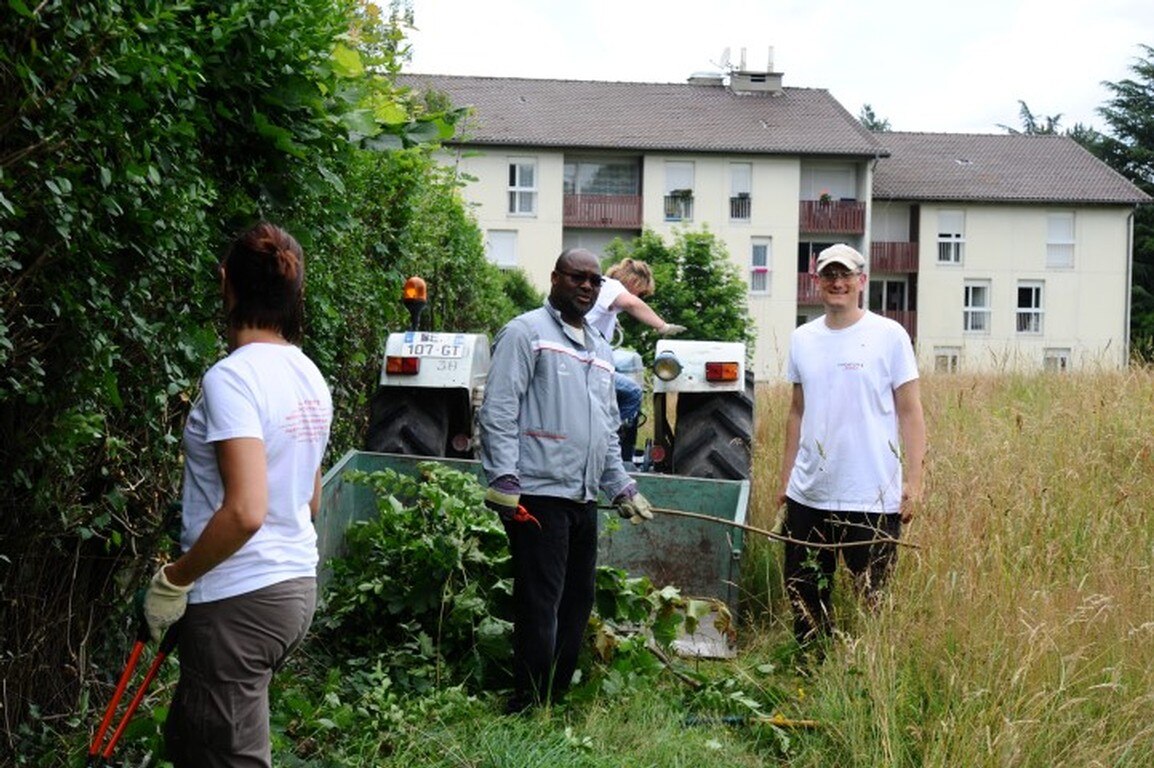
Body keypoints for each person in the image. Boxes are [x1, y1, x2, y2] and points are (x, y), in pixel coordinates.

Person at [141, 222, 333, 767]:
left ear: (226, 282)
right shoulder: (308, 374)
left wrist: (173, 579)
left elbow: (247, 510)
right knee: (192, 737)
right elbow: (310, 501)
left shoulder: (233, 378)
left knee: (228, 755)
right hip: (293, 587)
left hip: (238, 600)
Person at [478, 247, 654, 712]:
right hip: (537, 494)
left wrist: (621, 485)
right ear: (555, 278)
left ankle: (553, 697)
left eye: (595, 280)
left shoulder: (600, 349)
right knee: (540, 602)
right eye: (577, 277)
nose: (587, 286)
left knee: (577, 602)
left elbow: (607, 426)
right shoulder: (525, 333)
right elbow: (498, 409)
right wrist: (503, 476)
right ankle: (527, 702)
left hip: (582, 497)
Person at [777, 243, 925, 651]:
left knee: (873, 600)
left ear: (862, 281)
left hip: (872, 495)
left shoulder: (889, 336)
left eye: (846, 275)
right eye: (829, 275)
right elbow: (796, 411)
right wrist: (786, 479)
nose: (837, 283)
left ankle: (872, 674)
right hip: (810, 495)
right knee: (805, 594)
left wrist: (914, 481)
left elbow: (911, 412)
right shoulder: (803, 338)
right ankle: (809, 668)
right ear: (816, 281)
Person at [584, 258, 686, 460]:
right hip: (584, 364)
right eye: (642, 292)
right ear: (633, 283)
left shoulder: (602, 290)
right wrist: (661, 326)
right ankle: (613, 447)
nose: (641, 297)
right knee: (632, 392)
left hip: (583, 361)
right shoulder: (611, 286)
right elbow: (631, 303)